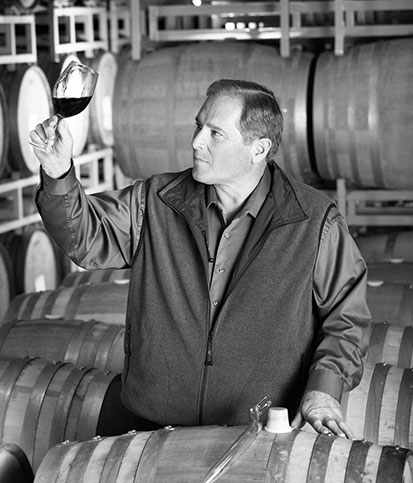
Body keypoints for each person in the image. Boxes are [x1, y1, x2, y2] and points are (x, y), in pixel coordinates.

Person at [30, 78, 371, 438]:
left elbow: (347, 318)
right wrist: (58, 172)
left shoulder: (314, 221)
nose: (196, 142)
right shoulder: (157, 200)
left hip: (256, 436)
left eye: (215, 133)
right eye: (198, 125)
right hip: (151, 428)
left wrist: (322, 391)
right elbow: (85, 235)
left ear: (258, 149)